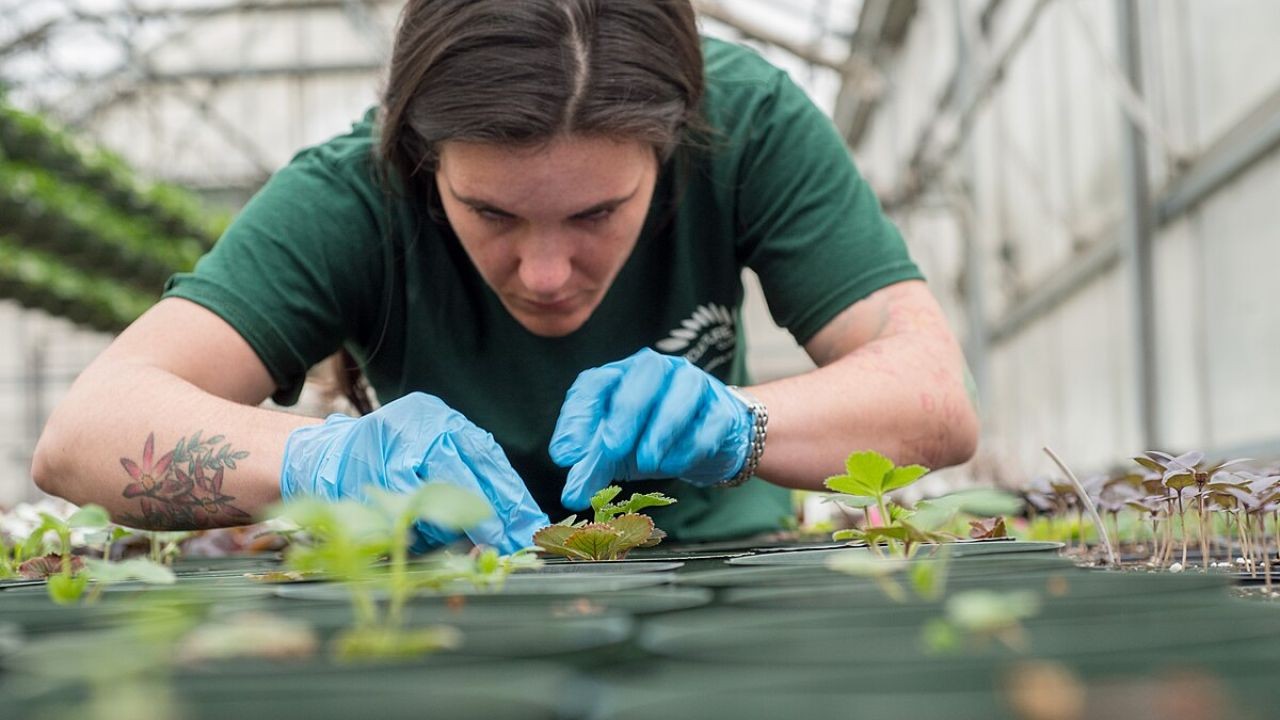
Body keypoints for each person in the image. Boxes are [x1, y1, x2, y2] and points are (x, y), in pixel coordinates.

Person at [31, 0, 979, 554]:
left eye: (598, 214)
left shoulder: (749, 125)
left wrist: (744, 425)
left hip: (721, 565)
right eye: (490, 214)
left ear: (676, 143)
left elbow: (934, 393)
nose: (547, 272)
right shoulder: (350, 193)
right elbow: (82, 436)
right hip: (446, 594)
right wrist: (321, 461)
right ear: (420, 157)